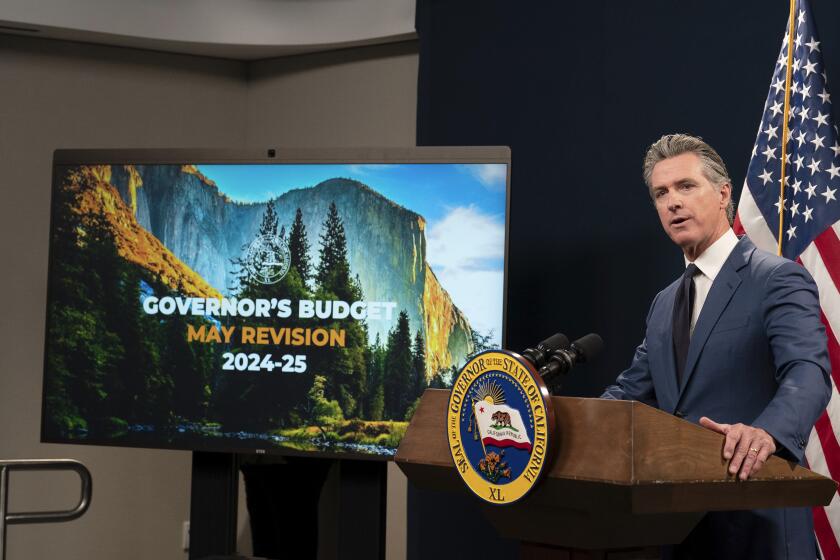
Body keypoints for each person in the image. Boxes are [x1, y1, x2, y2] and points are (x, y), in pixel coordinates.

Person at [601, 133, 831, 559]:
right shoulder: (664, 303)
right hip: (678, 528)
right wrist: (559, 425)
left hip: (756, 523)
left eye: (686, 186)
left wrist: (766, 431)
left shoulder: (777, 278)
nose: (672, 202)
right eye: (661, 193)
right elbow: (630, 394)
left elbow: (808, 373)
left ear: (724, 193)